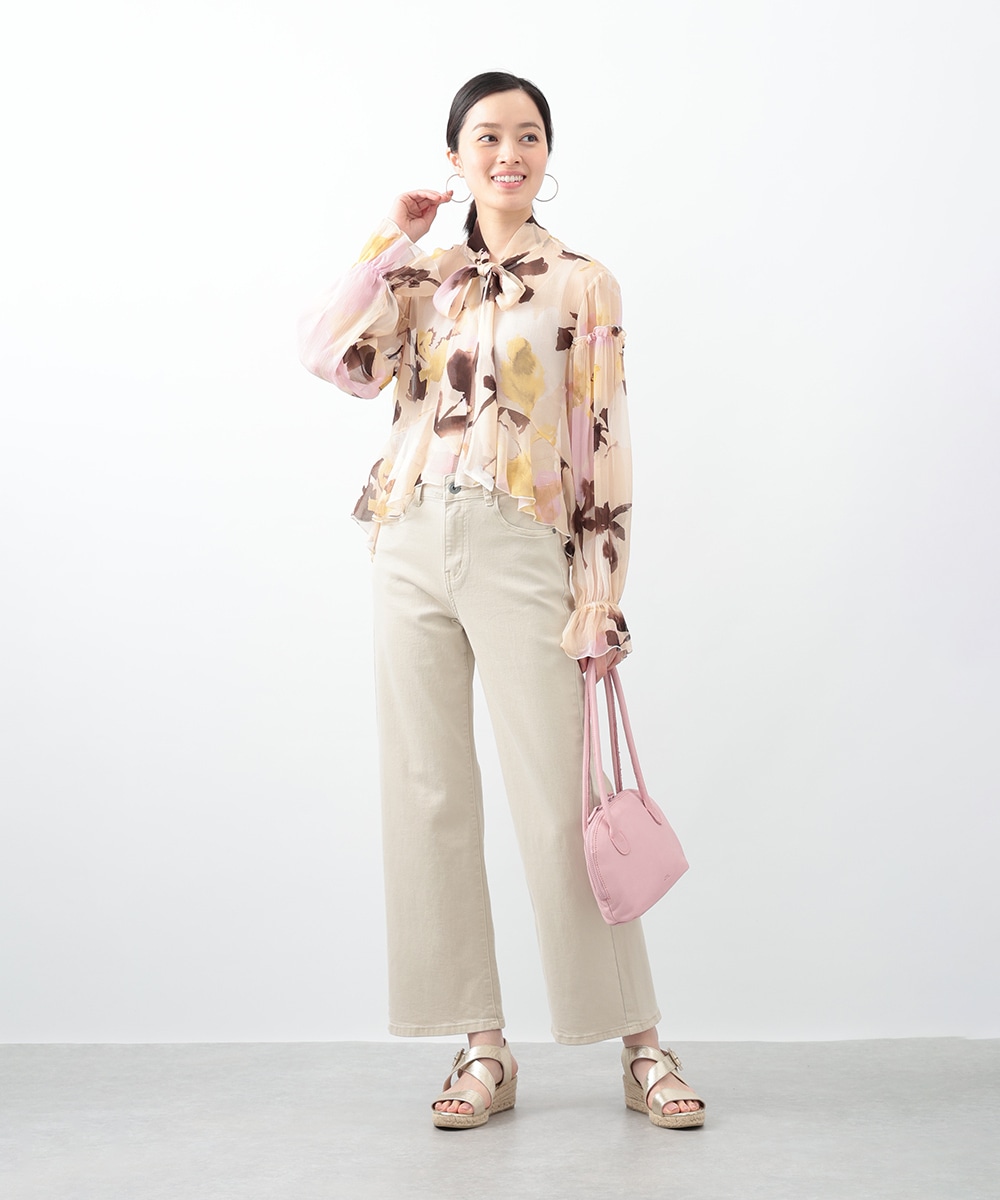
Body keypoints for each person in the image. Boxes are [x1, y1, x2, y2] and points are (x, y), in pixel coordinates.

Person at [299, 71, 705, 1131]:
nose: (508, 153)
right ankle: (480, 1044)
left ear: (547, 154)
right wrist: (388, 238)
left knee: (562, 801)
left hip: (522, 543)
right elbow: (331, 358)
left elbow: (603, 445)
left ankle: (640, 1044)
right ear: (455, 157)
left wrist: (599, 594)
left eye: (527, 136)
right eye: (486, 137)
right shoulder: (420, 275)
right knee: (427, 792)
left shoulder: (582, 284)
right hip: (407, 536)